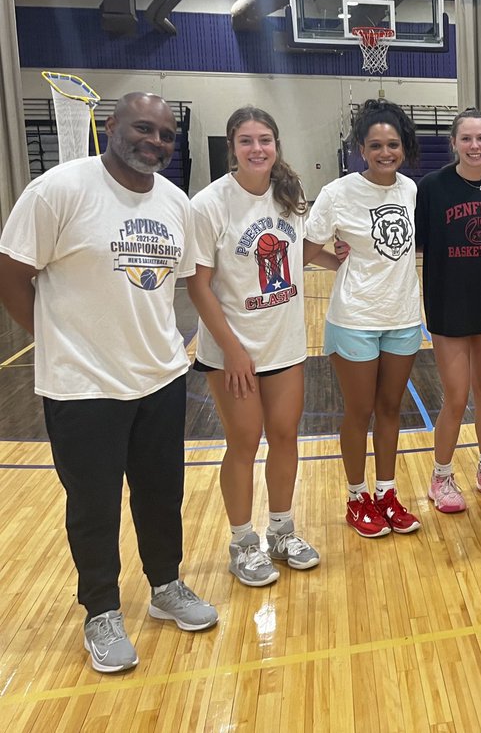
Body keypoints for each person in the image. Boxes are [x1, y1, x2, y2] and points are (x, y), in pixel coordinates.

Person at [0, 93, 218, 674]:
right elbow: (13, 273)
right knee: (93, 505)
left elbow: (172, 287)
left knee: (161, 493)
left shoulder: (177, 204)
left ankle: (166, 586)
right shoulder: (59, 190)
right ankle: (100, 611)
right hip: (83, 385)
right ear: (110, 127)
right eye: (143, 128)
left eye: (166, 135)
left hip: (160, 377)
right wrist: (60, 339)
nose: (155, 141)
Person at [188, 107, 336, 586]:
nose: (257, 149)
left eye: (265, 140)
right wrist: (231, 350)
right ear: (231, 146)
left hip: (285, 344)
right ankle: (242, 542)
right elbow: (198, 286)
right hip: (234, 351)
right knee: (244, 442)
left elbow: (296, 254)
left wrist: (332, 257)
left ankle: (281, 531)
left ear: (277, 145)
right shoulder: (210, 204)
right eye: (247, 140)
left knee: (285, 436)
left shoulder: (289, 196)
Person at [303, 99, 423, 538]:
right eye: (376, 145)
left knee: (390, 410)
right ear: (361, 148)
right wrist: (340, 268)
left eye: (392, 144)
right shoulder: (338, 193)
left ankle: (387, 494)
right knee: (359, 412)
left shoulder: (409, 190)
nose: (385, 152)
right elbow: (306, 248)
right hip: (354, 317)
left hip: (404, 316)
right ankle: (357, 498)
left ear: (404, 148)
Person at [415, 108, 481, 512]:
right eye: (467, 139)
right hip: (448, 306)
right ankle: (440, 477)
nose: (475, 146)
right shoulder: (432, 187)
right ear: (454, 143)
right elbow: (413, 239)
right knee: (456, 397)